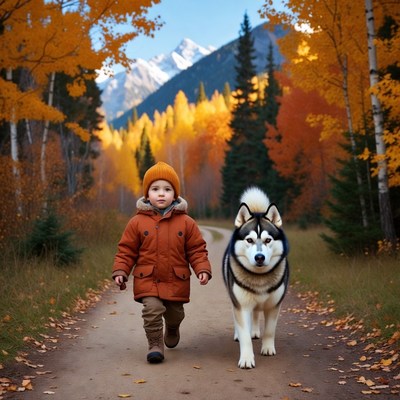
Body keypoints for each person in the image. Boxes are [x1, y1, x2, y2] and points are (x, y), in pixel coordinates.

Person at [112, 161, 212, 364]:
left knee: (175, 314)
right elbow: (126, 250)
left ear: (174, 195)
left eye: (167, 189)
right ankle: (155, 344)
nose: (161, 194)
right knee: (152, 310)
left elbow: (196, 249)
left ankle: (173, 328)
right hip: (148, 279)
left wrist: (202, 268)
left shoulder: (187, 222)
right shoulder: (136, 222)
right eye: (155, 189)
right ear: (147, 194)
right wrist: (121, 270)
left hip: (176, 279)